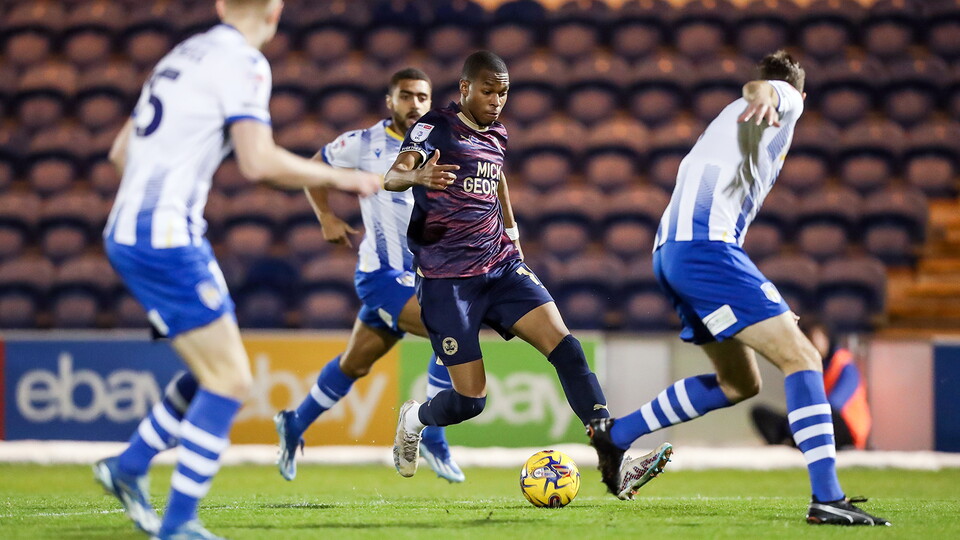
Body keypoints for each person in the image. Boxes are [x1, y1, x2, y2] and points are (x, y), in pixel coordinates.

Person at [92, 0, 380, 538]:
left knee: (213, 368)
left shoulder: (182, 54)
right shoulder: (245, 63)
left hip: (132, 229)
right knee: (230, 381)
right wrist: (343, 179)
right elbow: (258, 162)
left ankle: (129, 466)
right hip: (167, 238)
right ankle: (178, 524)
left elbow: (118, 153)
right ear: (275, 12)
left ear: (222, 5)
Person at [587, 51, 889, 525]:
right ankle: (827, 498)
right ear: (801, 94)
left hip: (669, 253)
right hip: (705, 249)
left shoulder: (725, 123)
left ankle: (617, 434)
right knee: (804, 358)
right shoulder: (781, 101)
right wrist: (766, 92)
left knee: (739, 383)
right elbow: (766, 91)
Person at [383, 51, 629, 488]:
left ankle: (609, 445)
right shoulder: (435, 127)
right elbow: (393, 176)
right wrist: (418, 178)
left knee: (567, 349)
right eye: (488, 91)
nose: (496, 101)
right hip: (447, 281)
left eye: (503, 93)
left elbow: (497, 179)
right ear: (465, 89)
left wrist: (512, 233)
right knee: (470, 401)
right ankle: (415, 418)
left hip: (500, 266)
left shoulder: (498, 133)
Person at [273, 67, 465, 483]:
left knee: (354, 364)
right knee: (450, 329)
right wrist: (326, 216)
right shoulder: (363, 143)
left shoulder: (441, 143)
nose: (415, 104)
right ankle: (432, 435)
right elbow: (314, 167)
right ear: (390, 100)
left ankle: (294, 422)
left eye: (423, 97)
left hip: (423, 274)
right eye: (406, 96)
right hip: (382, 274)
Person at [750, 318, 872, 450]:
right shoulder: (806, 368)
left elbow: (836, 403)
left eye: (815, 338)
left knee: (826, 412)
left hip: (844, 428)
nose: (811, 344)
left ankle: (795, 439)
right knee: (760, 413)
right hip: (812, 421)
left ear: (827, 338)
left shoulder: (845, 365)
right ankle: (790, 441)